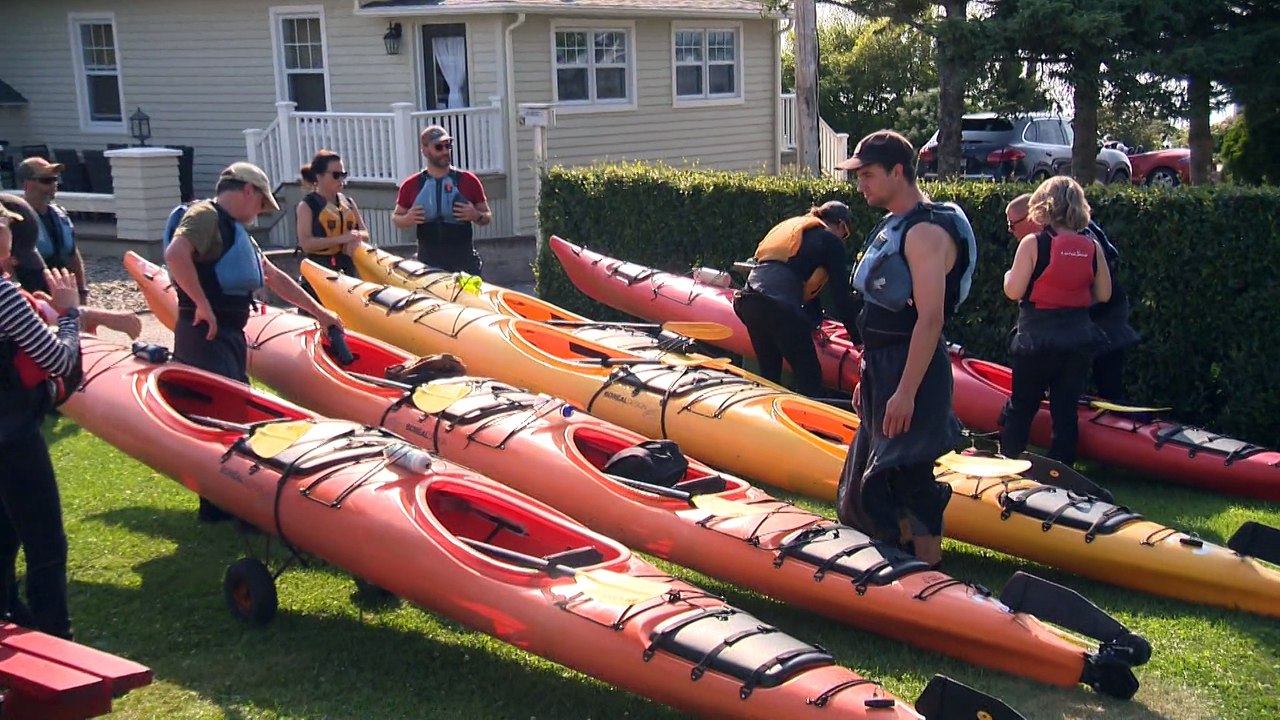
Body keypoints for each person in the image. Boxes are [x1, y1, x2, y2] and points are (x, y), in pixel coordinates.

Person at [165, 161, 343, 521]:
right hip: (205, 334)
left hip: (226, 334)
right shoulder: (205, 216)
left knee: (232, 415)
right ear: (248, 190)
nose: (260, 214)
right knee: (216, 417)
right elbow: (175, 255)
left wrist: (319, 313)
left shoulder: (233, 229)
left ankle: (225, 503)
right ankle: (221, 505)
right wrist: (202, 305)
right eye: (261, 204)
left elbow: (273, 277)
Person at [833, 130, 977, 568]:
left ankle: (929, 578)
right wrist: (869, 378)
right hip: (885, 366)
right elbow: (881, 314)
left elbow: (929, 318)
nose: (861, 185)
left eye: (869, 175)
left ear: (899, 171)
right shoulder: (898, 222)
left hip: (911, 370)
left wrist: (906, 392)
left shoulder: (926, 232)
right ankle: (898, 568)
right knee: (878, 480)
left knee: (911, 474)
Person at [0, 204, 82, 640]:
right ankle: (56, 635)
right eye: (5, 257)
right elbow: (59, 360)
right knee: (45, 540)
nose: (11, 264)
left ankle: (9, 611)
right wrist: (69, 315)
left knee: (4, 528)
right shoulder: (4, 294)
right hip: (12, 435)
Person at [1000, 177, 1112, 465]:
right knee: (1065, 410)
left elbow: (1014, 291)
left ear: (1042, 205)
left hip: (1036, 339)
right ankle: (1061, 469)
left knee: (1022, 406)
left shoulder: (1033, 243)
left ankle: (1008, 462)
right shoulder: (1091, 246)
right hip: (1077, 339)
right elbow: (1104, 293)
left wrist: (1007, 278)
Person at [1006, 194, 1137, 401]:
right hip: (1079, 318)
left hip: (1102, 314)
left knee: (1106, 377)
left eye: (1012, 224)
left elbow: (1099, 291)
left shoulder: (1074, 238)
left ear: (1031, 217)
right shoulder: (1053, 236)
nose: (1010, 230)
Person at [732, 201, 862, 396]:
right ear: (841, 225)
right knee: (809, 376)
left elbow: (792, 276)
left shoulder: (794, 228)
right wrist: (857, 339)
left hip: (748, 301)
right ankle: (806, 423)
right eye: (846, 234)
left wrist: (811, 322)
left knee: (770, 373)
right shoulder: (831, 241)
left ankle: (768, 421)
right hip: (778, 306)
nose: (843, 239)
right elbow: (841, 297)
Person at [391, 125, 492, 274]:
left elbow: (487, 217)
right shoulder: (412, 185)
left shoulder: (468, 180)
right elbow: (396, 218)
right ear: (425, 150)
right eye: (439, 147)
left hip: (463, 265)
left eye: (448, 146)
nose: (445, 151)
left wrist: (476, 215)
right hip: (428, 266)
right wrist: (408, 218)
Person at [295, 149, 369, 296]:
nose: (341, 180)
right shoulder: (307, 205)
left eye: (343, 174)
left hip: (346, 269)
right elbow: (306, 244)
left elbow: (365, 233)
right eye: (336, 175)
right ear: (319, 176)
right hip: (319, 269)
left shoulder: (348, 202)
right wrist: (341, 239)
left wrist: (354, 238)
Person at [16, 158, 90, 303]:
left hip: (64, 293)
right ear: (27, 184)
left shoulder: (60, 214)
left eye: (55, 179)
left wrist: (82, 291)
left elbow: (73, 254)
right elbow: (7, 262)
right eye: (46, 180)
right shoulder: (17, 219)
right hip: (33, 295)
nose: (53, 185)